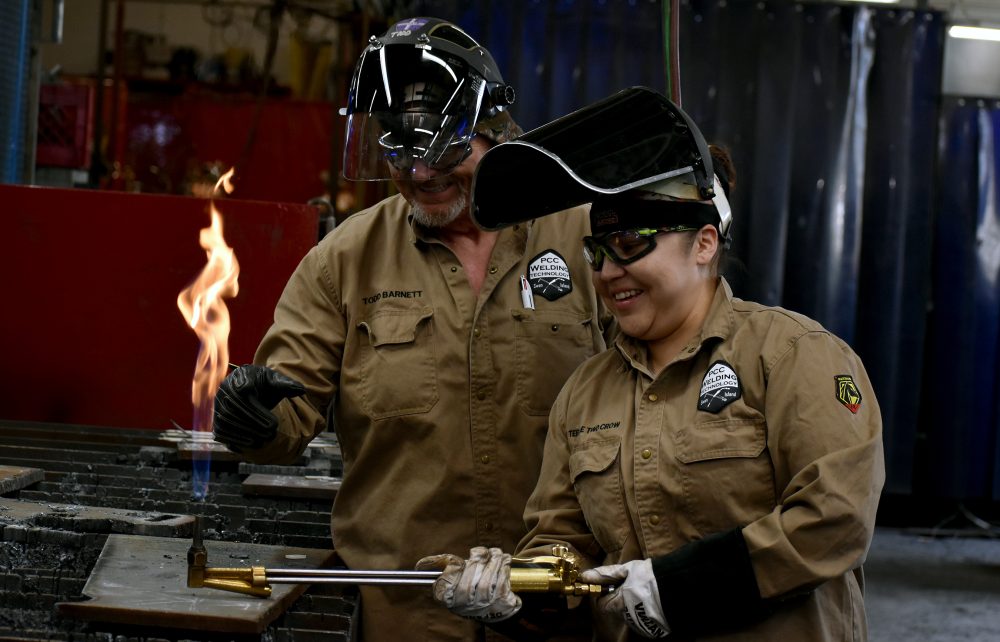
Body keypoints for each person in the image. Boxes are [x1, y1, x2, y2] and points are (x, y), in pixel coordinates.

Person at [419, 87, 885, 641]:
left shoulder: (792, 356)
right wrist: (516, 596)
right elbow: (562, 544)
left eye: (632, 243)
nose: (609, 271)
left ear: (705, 243)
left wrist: (682, 585)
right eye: (596, 251)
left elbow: (836, 519)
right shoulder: (585, 392)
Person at [210, 17, 615, 642]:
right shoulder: (345, 261)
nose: (419, 174)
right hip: (403, 612)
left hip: (557, 606)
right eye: (396, 151)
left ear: (497, 135)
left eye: (445, 150)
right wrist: (256, 422)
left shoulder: (585, 237)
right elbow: (288, 414)